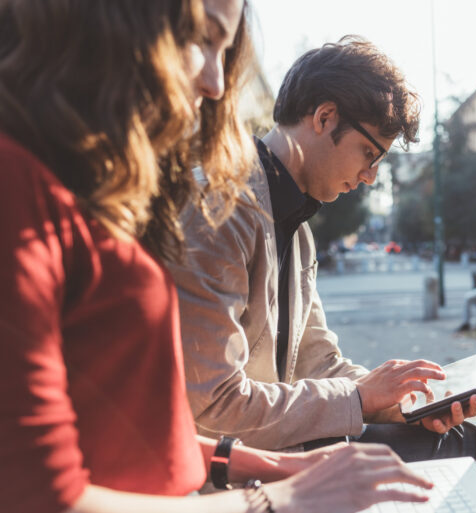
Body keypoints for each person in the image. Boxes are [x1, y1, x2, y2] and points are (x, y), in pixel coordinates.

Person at [0, 1, 432, 512]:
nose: (216, 84)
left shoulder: (293, 225)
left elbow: (159, 433)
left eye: (222, 52)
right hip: (208, 494)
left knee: (455, 446)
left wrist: (385, 404)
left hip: (231, 468)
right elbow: (48, 493)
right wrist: (273, 498)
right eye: (202, 40)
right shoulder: (214, 205)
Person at [169, 36, 476, 462]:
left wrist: (404, 404)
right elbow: (211, 408)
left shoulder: (298, 228)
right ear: (325, 117)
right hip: (236, 469)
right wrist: (360, 398)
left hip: (285, 444)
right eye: (369, 152)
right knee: (475, 451)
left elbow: (319, 364)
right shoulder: (219, 209)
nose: (370, 176)